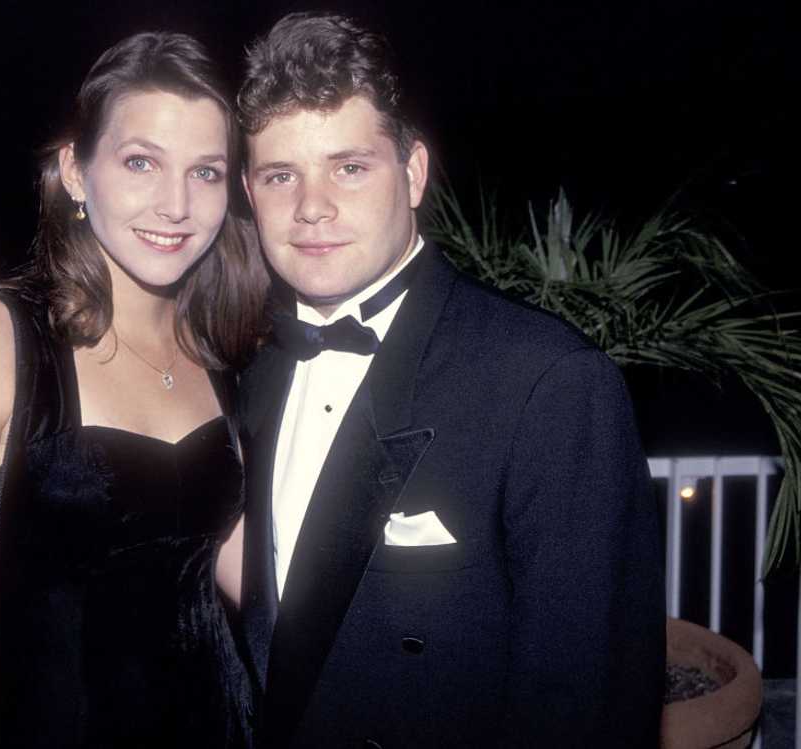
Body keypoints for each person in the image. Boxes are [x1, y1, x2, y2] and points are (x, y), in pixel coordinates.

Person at [231, 12, 666, 748]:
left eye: (349, 166)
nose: (312, 207)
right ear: (249, 190)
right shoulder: (251, 366)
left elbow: (585, 708)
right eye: (281, 175)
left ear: (413, 172)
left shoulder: (549, 382)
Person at [0, 31, 266, 748]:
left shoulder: (219, 357)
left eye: (206, 172)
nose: (176, 204)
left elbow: (258, 585)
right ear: (73, 169)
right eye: (140, 162)